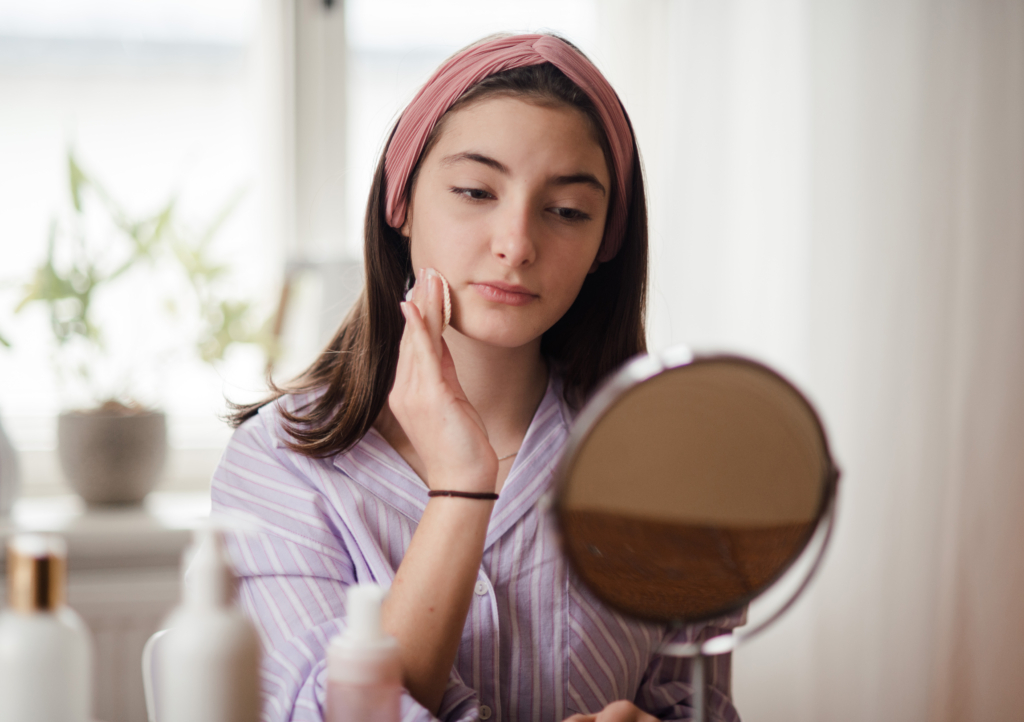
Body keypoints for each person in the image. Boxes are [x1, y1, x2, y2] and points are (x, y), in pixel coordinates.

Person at [213, 33, 741, 722]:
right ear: (399, 204)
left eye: (568, 211)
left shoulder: (667, 473)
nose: (516, 244)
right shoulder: (277, 468)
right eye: (474, 191)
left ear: (605, 244)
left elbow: (697, 703)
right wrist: (461, 487)